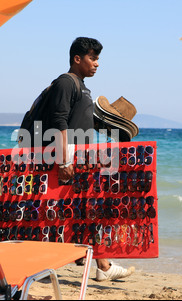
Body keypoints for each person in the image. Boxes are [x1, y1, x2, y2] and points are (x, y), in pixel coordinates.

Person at [39, 37, 134, 281]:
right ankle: (102, 265)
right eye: (93, 58)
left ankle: (101, 264)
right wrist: (63, 161)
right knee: (77, 211)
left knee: (85, 211)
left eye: (98, 59)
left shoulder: (82, 87)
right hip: (65, 158)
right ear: (77, 58)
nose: (97, 64)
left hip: (78, 158)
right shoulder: (66, 82)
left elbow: (78, 123)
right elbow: (59, 121)